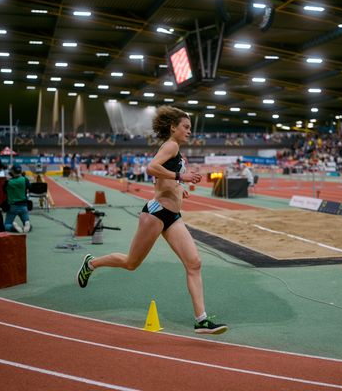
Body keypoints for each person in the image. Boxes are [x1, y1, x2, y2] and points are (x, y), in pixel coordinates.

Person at [76, 106, 228, 335]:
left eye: (190, 127)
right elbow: (152, 168)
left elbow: (163, 179)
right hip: (156, 213)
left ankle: (201, 320)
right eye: (185, 127)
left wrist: (179, 188)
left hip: (173, 217)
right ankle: (91, 264)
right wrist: (180, 177)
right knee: (131, 263)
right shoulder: (171, 145)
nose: (189, 131)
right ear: (173, 128)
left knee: (194, 262)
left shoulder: (177, 150)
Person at [3, 164, 31, 233]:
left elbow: (4, 191)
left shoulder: (8, 182)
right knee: (26, 221)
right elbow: (30, 188)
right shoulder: (25, 179)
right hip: (23, 206)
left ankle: (13, 227)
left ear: (12, 172)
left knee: (6, 225)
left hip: (12, 206)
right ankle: (26, 224)